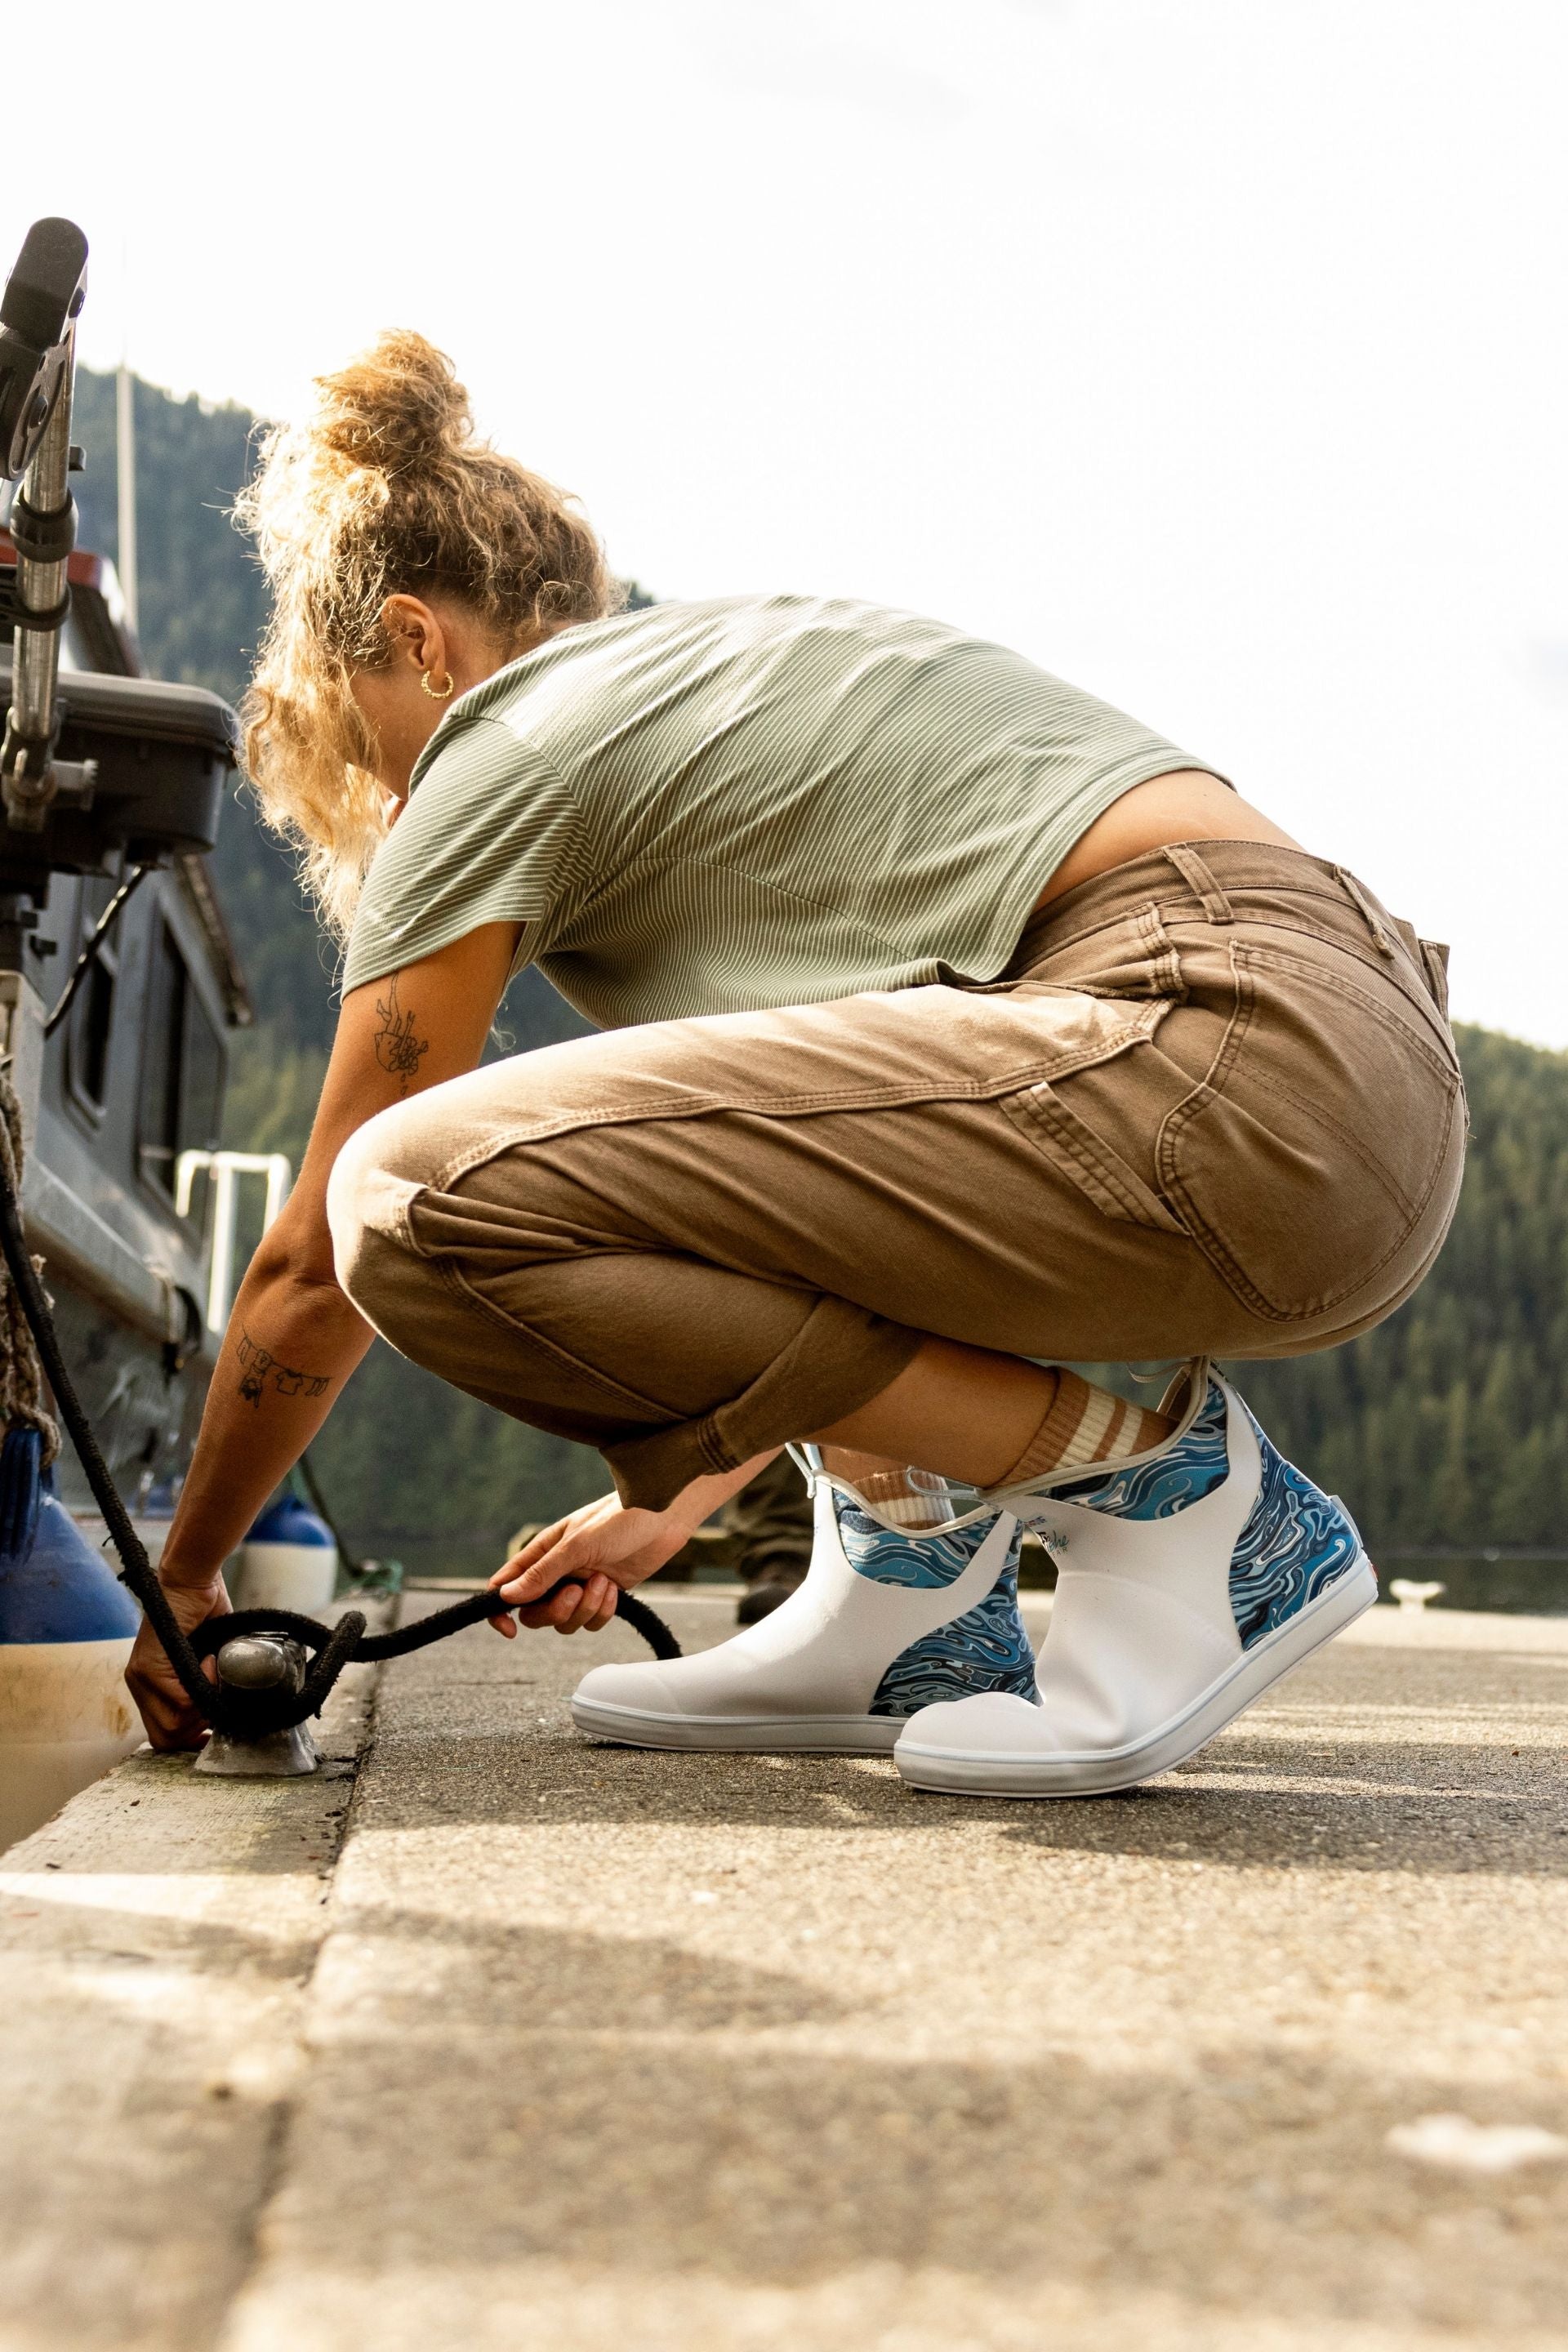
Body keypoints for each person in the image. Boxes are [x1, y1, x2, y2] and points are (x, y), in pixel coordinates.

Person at [126, 333, 1464, 1799]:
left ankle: (1181, 1503)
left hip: (1219, 1050)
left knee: (410, 1194)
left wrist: (185, 1583)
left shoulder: (498, 740)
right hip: (1344, 1085)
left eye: (363, 731)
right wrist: (676, 1494)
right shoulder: (721, 698)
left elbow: (321, 1259)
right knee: (707, 1171)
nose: (384, 793)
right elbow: (816, 1193)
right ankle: (907, 1604)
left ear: (421, 641)